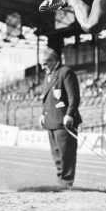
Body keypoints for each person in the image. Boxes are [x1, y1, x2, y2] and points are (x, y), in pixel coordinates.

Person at [38, 47, 82, 190]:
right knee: (56, 153)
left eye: (45, 63)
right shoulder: (48, 75)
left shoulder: (65, 72)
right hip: (51, 120)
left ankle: (66, 182)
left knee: (66, 153)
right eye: (41, 64)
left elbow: (73, 97)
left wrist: (69, 114)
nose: (42, 67)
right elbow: (47, 99)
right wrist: (42, 114)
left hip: (64, 120)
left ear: (53, 60)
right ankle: (60, 180)